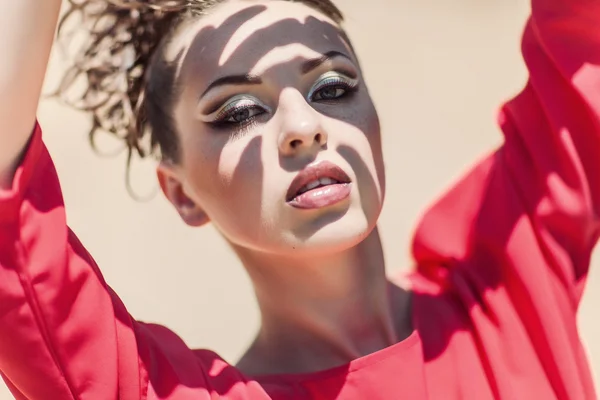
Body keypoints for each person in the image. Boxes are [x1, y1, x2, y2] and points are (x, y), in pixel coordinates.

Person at [0, 0, 598, 398]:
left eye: (333, 87)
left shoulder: (507, 283)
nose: (302, 125)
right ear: (182, 194)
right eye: (239, 111)